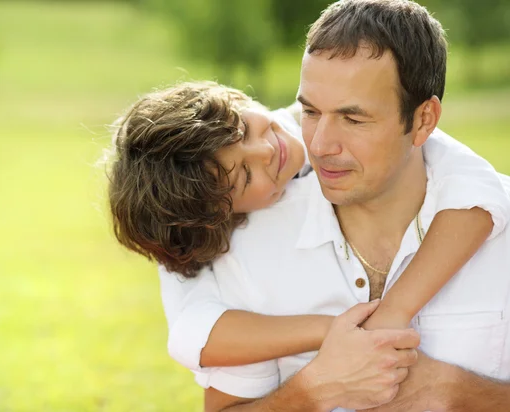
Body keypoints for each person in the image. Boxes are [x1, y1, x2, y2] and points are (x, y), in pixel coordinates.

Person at [152, 1, 510, 410]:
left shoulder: (490, 212)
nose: (319, 145)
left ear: (425, 120)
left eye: (353, 119)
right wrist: (316, 388)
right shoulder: (243, 243)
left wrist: (460, 393)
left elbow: (475, 186)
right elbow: (192, 332)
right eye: (310, 111)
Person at [109, 79, 508, 369]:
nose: (266, 149)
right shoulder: (202, 225)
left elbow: (479, 192)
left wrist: (394, 311)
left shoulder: (331, 120)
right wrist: (331, 330)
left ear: (234, 96)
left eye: (243, 128)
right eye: (246, 177)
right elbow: (192, 335)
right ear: (225, 218)